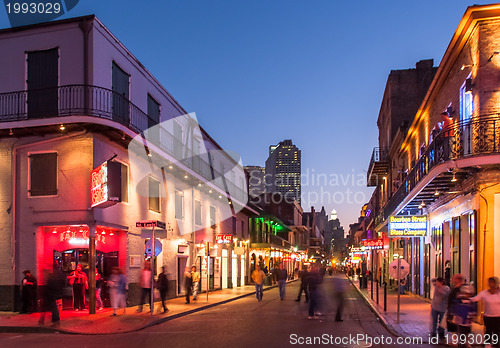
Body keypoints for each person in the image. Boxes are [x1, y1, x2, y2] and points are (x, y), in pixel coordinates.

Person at [469, 276, 500, 347]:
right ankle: (487, 344)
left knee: (497, 331)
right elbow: (475, 299)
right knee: (488, 331)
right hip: (488, 316)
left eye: (493, 282)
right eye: (490, 282)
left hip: (498, 316)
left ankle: (496, 345)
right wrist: (465, 299)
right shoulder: (484, 293)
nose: (491, 284)